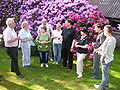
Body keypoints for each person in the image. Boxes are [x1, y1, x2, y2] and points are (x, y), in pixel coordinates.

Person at [94, 25, 116, 90]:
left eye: (104, 30)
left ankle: (101, 86)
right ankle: (106, 85)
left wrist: (99, 52)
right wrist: (98, 48)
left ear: (107, 31)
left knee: (104, 74)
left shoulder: (110, 41)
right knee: (106, 73)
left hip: (106, 59)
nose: (103, 31)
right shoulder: (111, 38)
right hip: (110, 58)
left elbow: (105, 53)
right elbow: (103, 44)